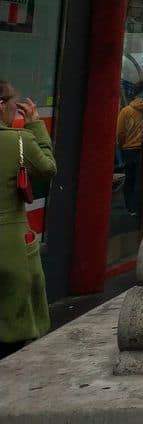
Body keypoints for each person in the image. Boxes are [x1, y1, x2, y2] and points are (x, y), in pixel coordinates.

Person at [1, 80, 57, 359]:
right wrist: (35, 125)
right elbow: (47, 168)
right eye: (13, 104)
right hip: (11, 246)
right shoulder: (17, 141)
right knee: (14, 326)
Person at [114, 85, 143, 216]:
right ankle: (140, 207)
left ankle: (130, 208)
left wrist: (122, 145)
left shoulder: (126, 111)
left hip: (129, 150)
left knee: (130, 179)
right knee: (141, 179)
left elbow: (120, 133)